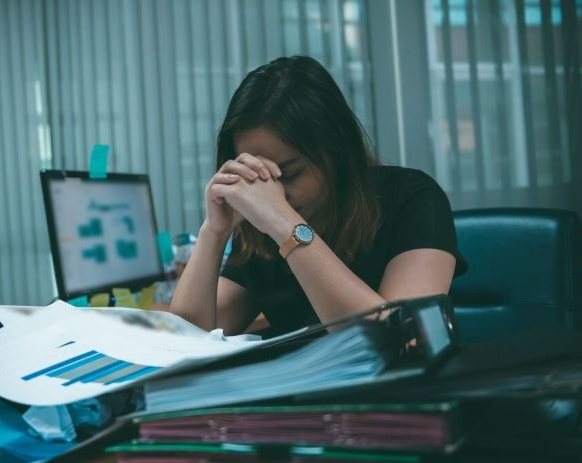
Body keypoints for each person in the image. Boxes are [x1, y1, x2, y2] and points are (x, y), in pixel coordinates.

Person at [169, 56, 467, 336]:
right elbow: (189, 336)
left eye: (289, 174)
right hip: (306, 388)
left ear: (335, 152)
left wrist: (285, 224)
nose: (272, 195)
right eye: (259, 178)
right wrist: (215, 231)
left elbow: (401, 337)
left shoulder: (413, 197)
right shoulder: (261, 234)